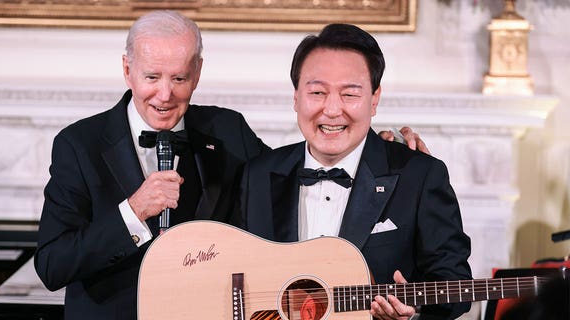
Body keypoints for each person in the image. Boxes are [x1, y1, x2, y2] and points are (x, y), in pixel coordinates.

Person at [34, 10, 430, 320]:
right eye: (151, 76)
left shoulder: (227, 130)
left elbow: (293, 174)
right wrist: (132, 213)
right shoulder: (78, 145)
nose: (165, 94)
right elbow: (52, 266)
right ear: (127, 70)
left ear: (198, 73)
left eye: (179, 78)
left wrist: (385, 151)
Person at [234, 23, 472, 320]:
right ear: (296, 97)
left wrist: (414, 311)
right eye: (318, 92)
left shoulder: (420, 175)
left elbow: (456, 284)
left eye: (349, 94)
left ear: (374, 99)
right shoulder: (258, 174)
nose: (332, 110)